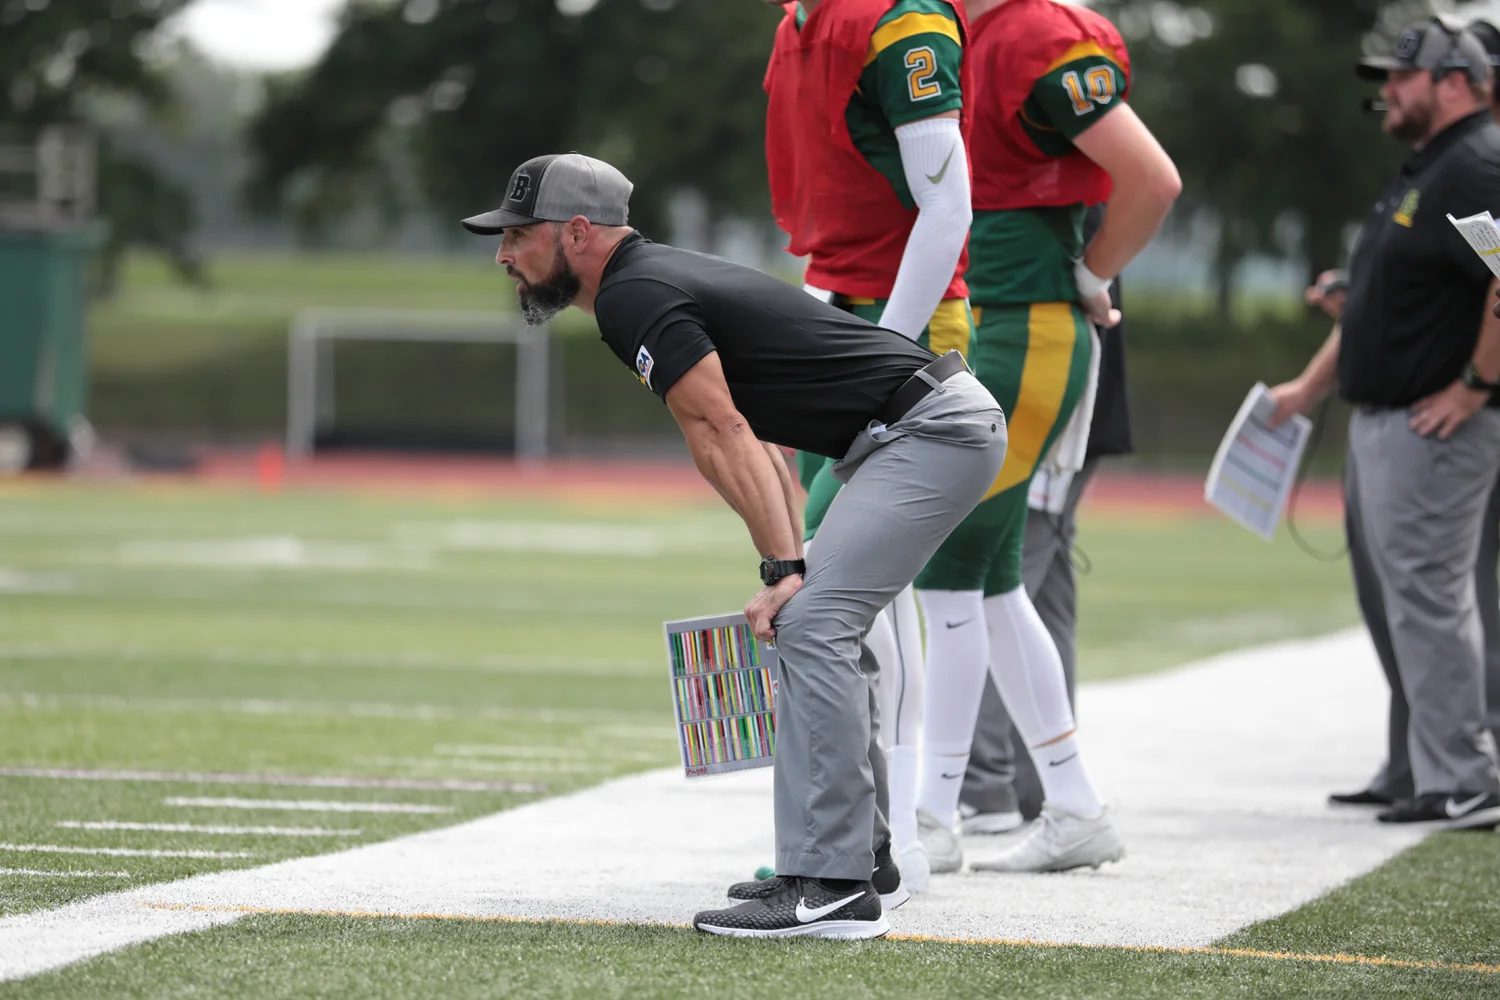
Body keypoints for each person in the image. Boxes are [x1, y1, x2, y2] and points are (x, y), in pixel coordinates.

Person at [462, 152, 1005, 938]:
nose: (505, 254)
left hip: (930, 431)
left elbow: (723, 430)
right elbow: (758, 443)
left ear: (577, 233)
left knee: (814, 620)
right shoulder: (643, 284)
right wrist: (786, 570)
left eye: (518, 234)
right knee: (811, 619)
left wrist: (786, 569)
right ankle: (860, 856)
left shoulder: (632, 296)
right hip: (915, 431)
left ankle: (835, 885)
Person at [913, 0, 1180, 875]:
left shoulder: (1034, 32)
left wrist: (1089, 269)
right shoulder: (974, 31)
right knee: (990, 578)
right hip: (997, 320)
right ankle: (1070, 802)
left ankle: (934, 817)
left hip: (1024, 327)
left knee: (951, 561)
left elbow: (1153, 179)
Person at [757, 0, 977, 892]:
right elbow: (830, 216)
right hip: (836, 309)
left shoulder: (899, 17)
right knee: (868, 593)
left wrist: (878, 349)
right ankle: (891, 840)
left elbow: (948, 202)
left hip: (900, 328)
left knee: (823, 580)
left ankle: (883, 838)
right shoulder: (797, 24)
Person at [1269, 18, 1500, 829]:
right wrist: (1307, 387)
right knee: (1394, 601)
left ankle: (1465, 776)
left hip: (1433, 426)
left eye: (1403, 78)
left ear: (1456, 83)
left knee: (1431, 600)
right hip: (1384, 421)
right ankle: (1419, 767)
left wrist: (1475, 386)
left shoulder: (1475, 164)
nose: (1387, 92)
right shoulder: (1427, 167)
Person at [960, 207, 1135, 832]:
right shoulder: (1070, 169)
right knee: (1043, 590)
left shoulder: (1042, 160)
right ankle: (1043, 787)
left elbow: (1156, 184)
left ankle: (986, 785)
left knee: (983, 583)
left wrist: (1091, 283)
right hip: (1067, 379)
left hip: (1039, 378)